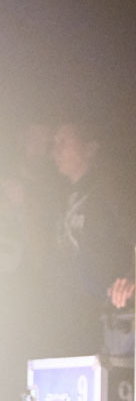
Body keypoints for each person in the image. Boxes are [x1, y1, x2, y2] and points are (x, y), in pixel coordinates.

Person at [48, 119, 134, 355]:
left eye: (64, 142)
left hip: (106, 318)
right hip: (67, 318)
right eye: (54, 143)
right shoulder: (61, 195)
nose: (56, 150)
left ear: (89, 147)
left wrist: (132, 278)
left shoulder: (112, 186)